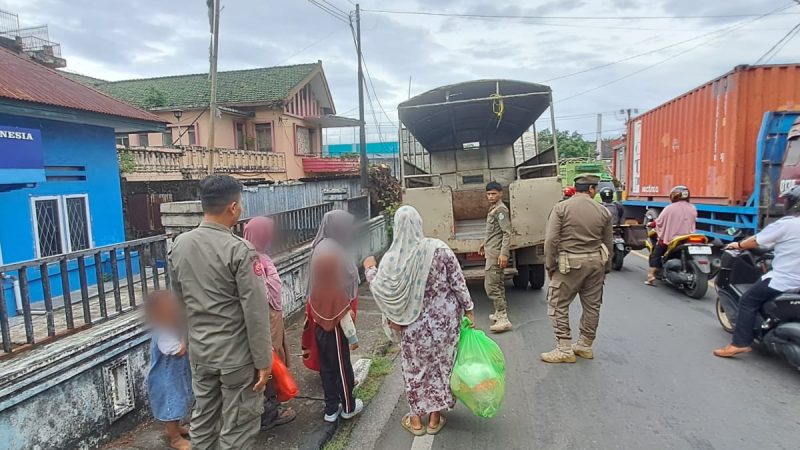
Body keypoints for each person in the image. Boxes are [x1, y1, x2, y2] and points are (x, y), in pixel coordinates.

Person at [168, 175, 271, 450]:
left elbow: (180, 301)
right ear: (233, 207)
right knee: (238, 424)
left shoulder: (180, 244)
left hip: (201, 353)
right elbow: (256, 310)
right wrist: (263, 360)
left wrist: (188, 341)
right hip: (235, 356)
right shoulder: (240, 249)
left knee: (203, 419)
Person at [364, 206, 475, 436]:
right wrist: (469, 309)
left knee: (416, 371)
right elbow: (457, 282)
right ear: (419, 224)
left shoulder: (392, 258)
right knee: (442, 367)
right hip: (444, 325)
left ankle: (416, 421)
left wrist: (369, 269)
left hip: (412, 327)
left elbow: (381, 290)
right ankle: (435, 419)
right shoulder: (439, 248)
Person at [713, 185, 800, 358]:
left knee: (748, 300)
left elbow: (755, 241)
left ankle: (739, 343)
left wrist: (737, 245)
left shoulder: (787, 224)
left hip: (784, 280)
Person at [541, 174, 613, 363]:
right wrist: (606, 269)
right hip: (596, 263)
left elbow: (551, 240)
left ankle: (564, 349)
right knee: (592, 306)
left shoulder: (561, 208)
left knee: (557, 305)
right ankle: (585, 345)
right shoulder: (603, 211)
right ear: (591, 189)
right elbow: (608, 242)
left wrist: (550, 265)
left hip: (569, 265)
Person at [306, 210, 364, 423]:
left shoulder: (320, 247)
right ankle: (348, 405)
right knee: (341, 364)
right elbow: (348, 277)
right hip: (336, 318)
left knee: (327, 365)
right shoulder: (333, 250)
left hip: (319, 313)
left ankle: (331, 408)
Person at [242, 216, 297, 430]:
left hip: (273, 317)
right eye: (268, 232)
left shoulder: (260, 255)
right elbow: (258, 295)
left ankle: (271, 406)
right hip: (265, 320)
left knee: (275, 359)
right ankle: (269, 413)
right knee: (269, 362)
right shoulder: (251, 259)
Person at [145, 290, 193, 450]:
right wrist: (186, 341)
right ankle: (174, 438)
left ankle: (175, 428)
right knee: (170, 406)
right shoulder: (163, 334)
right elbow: (179, 351)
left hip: (174, 378)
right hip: (166, 382)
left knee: (177, 403)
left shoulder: (172, 329)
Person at [645, 185, 697, 286]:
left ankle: (651, 276)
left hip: (672, 238)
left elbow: (659, 222)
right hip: (688, 238)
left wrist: (650, 224)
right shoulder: (693, 208)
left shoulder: (669, 208)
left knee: (656, 253)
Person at [479, 181, 513, 333]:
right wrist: (484, 244)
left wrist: (504, 254)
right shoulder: (494, 209)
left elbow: (507, 232)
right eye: (488, 194)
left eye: (493, 193)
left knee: (491, 286)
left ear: (500, 194)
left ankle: (503, 318)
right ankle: (499, 313)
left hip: (496, 253)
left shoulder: (500, 210)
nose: (490, 196)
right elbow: (494, 232)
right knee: (497, 283)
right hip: (491, 250)